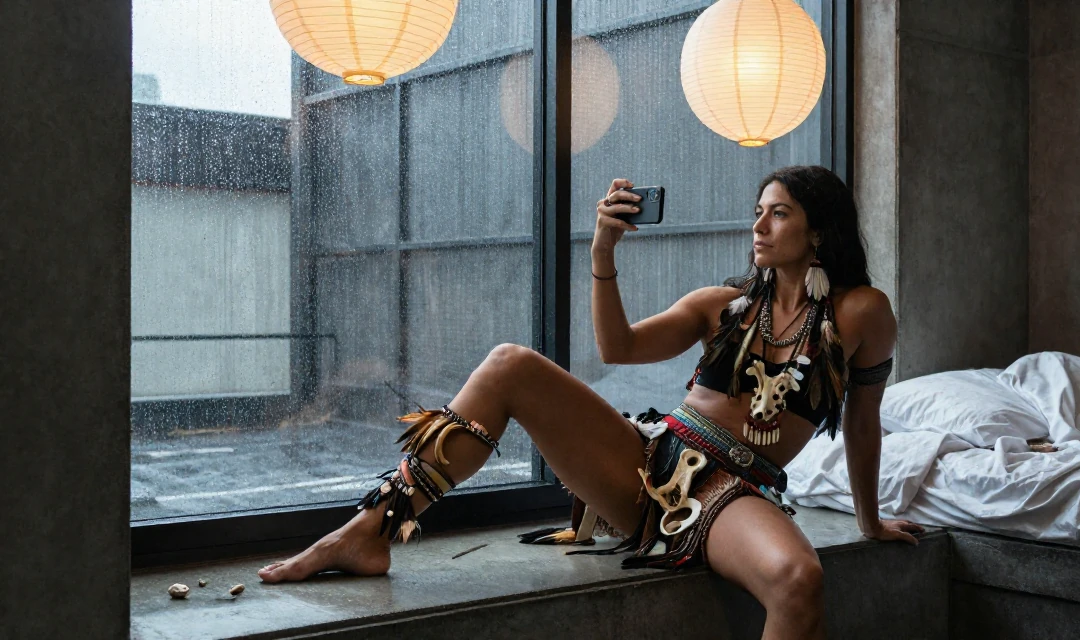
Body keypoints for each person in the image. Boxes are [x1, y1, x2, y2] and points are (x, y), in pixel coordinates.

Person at [257, 165, 923, 640]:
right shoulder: (722, 306)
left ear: (820, 231)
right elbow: (619, 347)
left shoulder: (860, 312)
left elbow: (863, 426)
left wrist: (869, 523)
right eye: (758, 209)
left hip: (731, 491)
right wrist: (603, 252)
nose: (760, 223)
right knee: (510, 364)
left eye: (780, 212)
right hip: (646, 461)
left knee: (798, 579)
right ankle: (370, 531)